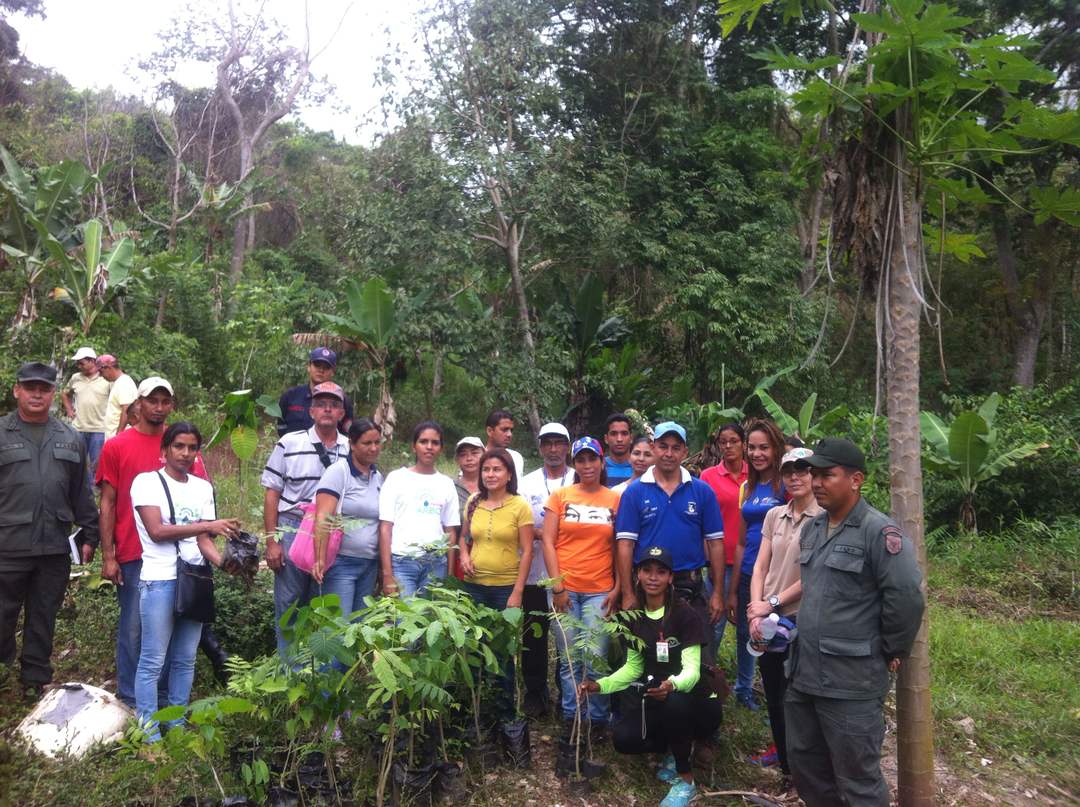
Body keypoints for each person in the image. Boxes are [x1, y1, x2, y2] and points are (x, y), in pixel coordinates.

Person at [786, 438, 924, 807]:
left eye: (826, 475)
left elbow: (906, 596)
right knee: (807, 767)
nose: (816, 482)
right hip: (806, 673)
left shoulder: (879, 533)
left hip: (851, 680)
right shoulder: (813, 529)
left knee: (857, 779)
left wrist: (893, 648)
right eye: (813, 474)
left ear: (856, 479)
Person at [96, 376, 214, 707]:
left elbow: (199, 501)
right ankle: (133, 701)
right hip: (135, 550)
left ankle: (162, 703)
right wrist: (109, 555)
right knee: (135, 629)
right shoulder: (117, 446)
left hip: (183, 559)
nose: (159, 407)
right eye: (152, 401)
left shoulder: (182, 443)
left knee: (172, 634)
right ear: (139, 403)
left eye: (165, 402)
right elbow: (106, 501)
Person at [579, 547, 723, 807]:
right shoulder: (634, 616)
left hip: (699, 701)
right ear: (637, 574)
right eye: (647, 570)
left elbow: (691, 671)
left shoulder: (684, 614)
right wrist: (599, 685)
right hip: (660, 701)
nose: (653, 577)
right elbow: (633, 668)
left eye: (661, 572)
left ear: (670, 578)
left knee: (676, 702)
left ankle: (685, 779)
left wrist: (671, 684)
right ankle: (676, 746)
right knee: (624, 739)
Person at [130, 422, 241, 741]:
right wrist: (208, 524)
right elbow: (157, 531)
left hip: (195, 579)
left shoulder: (202, 488)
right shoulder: (147, 483)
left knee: (184, 658)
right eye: (179, 446)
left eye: (192, 447)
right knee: (152, 660)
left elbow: (205, 541)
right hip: (160, 581)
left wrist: (224, 564)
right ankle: (148, 733)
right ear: (164, 450)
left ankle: (176, 726)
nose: (186, 453)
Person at [0, 362, 99, 700]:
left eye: (44, 388)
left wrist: (90, 532)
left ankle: (34, 679)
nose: (37, 394)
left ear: (54, 394)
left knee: (43, 616)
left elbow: (80, 492)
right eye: (30, 388)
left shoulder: (69, 436)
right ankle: (1, 674)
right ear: (17, 390)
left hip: (54, 546)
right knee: (2, 614)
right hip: (7, 544)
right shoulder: (1, 432)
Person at [745, 447, 820, 779]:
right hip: (767, 620)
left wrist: (771, 604)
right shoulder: (775, 515)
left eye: (802, 470)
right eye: (789, 470)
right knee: (774, 693)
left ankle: (806, 768)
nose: (795, 476)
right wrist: (755, 612)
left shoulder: (824, 519)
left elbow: (812, 575)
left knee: (800, 698)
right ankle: (788, 767)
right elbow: (760, 565)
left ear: (814, 474)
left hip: (802, 619)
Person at [261, 382, 350, 659]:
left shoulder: (351, 447)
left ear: (341, 412)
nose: (327, 409)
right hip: (293, 529)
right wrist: (273, 541)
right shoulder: (289, 443)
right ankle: (289, 671)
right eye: (321, 403)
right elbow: (271, 494)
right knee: (289, 605)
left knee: (322, 605)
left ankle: (316, 676)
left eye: (333, 404)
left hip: (332, 534)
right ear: (311, 410)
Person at [540, 436, 621, 733]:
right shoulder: (559, 497)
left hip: (599, 589)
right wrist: (557, 587)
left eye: (592, 459)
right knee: (569, 657)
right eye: (581, 460)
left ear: (602, 462)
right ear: (575, 464)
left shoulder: (614, 499)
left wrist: (617, 587)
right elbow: (547, 541)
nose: (587, 465)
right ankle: (572, 716)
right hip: (566, 590)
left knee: (596, 656)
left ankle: (598, 719)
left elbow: (619, 546)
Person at [615, 422, 725, 628]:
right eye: (663, 446)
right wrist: (628, 593)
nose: (669, 453)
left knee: (698, 655)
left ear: (685, 451)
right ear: (653, 446)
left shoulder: (702, 491)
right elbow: (625, 545)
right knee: (646, 654)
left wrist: (718, 593)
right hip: (647, 583)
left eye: (676, 448)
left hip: (689, 584)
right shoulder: (634, 493)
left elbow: (716, 543)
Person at [726, 418, 786, 710]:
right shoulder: (748, 487)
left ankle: (780, 695)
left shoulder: (786, 484)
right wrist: (734, 588)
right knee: (746, 633)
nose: (757, 453)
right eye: (752, 447)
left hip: (780, 576)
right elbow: (740, 542)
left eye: (764, 447)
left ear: (776, 449)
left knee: (778, 637)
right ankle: (745, 689)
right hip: (751, 572)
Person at [518, 422, 574, 716]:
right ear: (540, 447)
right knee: (534, 636)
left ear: (567, 446)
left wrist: (547, 533)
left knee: (567, 637)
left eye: (559, 443)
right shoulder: (526, 483)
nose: (553, 449)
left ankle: (567, 690)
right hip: (535, 574)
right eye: (547, 444)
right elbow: (522, 526)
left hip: (571, 574)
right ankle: (536, 692)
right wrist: (549, 535)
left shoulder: (579, 478)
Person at [310, 418, 385, 613]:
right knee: (337, 626)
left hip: (369, 564)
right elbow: (323, 517)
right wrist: (319, 558)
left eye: (377, 442)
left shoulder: (378, 477)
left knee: (358, 628)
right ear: (352, 444)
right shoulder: (338, 472)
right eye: (367, 443)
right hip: (341, 563)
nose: (374, 448)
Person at [378, 421, 460, 598]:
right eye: (423, 441)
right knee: (403, 621)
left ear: (441, 448)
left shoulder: (446, 484)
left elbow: (450, 531)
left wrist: (450, 574)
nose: (429, 447)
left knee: (429, 621)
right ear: (414, 446)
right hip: (402, 562)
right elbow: (385, 528)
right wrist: (387, 574)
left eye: (435, 443)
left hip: (436, 564)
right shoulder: (396, 479)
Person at [700, 423, 748, 657]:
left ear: (743, 444)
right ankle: (708, 683)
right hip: (721, 564)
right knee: (714, 624)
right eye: (723, 442)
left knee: (748, 630)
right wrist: (709, 563)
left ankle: (745, 688)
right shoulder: (708, 477)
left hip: (750, 563)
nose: (728, 446)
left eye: (734, 441)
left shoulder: (755, 475)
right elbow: (701, 523)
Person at [276, 347, 355, 437]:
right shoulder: (290, 396)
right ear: (309, 367)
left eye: (326, 367)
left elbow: (347, 432)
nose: (321, 370)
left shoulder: (342, 400)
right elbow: (281, 428)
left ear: (333, 372)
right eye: (317, 365)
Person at [61, 346, 110, 471]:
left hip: (99, 429)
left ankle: (93, 489)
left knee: (96, 464)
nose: (79, 366)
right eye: (77, 363)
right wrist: (69, 410)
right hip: (78, 428)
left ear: (92, 361)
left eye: (81, 363)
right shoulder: (75, 378)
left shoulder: (106, 378)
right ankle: (80, 489)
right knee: (77, 463)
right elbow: (65, 393)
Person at [451, 436, 484, 579]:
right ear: (457, 460)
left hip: (493, 556)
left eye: (474, 453)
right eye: (463, 455)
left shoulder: (495, 486)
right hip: (459, 555)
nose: (469, 458)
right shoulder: (450, 488)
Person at [97, 354, 139, 439]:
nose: (100, 375)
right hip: (113, 436)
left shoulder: (124, 383)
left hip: (120, 437)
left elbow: (127, 409)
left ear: (108, 368)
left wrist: (119, 434)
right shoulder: (117, 382)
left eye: (101, 372)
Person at [484, 409, 525, 481]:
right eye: (504, 430)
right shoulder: (477, 458)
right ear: (489, 431)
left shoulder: (516, 458)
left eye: (511, 430)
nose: (509, 434)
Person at [602, 412, 634, 488]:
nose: (619, 439)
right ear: (606, 439)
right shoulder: (599, 468)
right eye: (613, 434)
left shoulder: (641, 466)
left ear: (631, 438)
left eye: (624, 433)